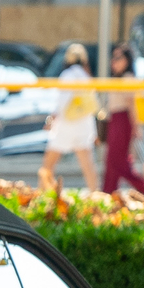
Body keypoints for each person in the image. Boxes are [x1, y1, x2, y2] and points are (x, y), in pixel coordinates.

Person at [38, 42, 98, 191]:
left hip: (66, 126)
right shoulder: (86, 76)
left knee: (48, 165)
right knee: (88, 167)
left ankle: (42, 195)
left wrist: (51, 120)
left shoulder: (67, 75)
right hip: (83, 125)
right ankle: (96, 195)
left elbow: (61, 104)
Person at [100, 43, 142, 194]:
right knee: (111, 161)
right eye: (113, 58)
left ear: (127, 61)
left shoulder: (127, 79)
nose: (114, 62)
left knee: (117, 160)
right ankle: (108, 192)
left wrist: (136, 127)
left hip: (122, 120)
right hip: (115, 119)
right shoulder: (117, 78)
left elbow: (131, 105)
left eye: (118, 58)